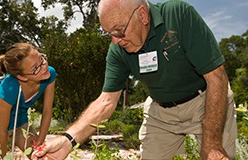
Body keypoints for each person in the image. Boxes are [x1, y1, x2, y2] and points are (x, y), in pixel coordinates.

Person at [32, 0, 237, 159]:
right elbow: (106, 101)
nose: (115, 41)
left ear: (142, 15)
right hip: (161, 111)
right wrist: (68, 141)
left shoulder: (179, 15)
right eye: (109, 34)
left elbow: (217, 77)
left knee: (216, 155)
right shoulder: (117, 50)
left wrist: (211, 144)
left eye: (119, 31)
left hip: (206, 99)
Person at [0, 43, 57, 159]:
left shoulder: (49, 74)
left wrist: (40, 141)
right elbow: (2, 131)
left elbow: (47, 111)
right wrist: (2, 155)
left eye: (41, 58)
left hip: (20, 122)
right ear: (22, 77)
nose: (43, 66)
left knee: (40, 157)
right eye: (35, 68)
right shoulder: (10, 86)